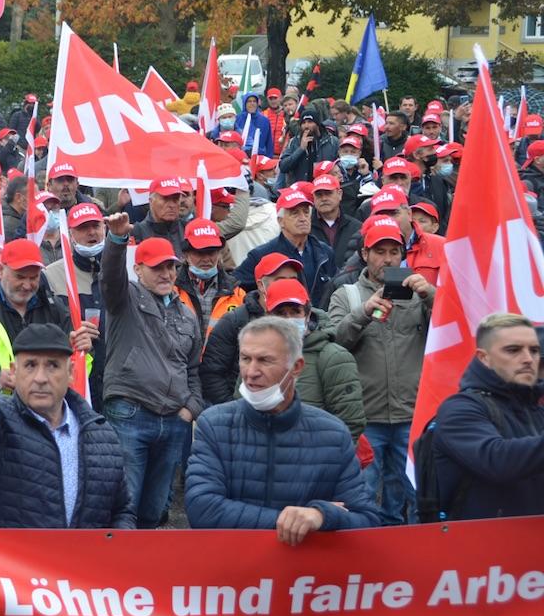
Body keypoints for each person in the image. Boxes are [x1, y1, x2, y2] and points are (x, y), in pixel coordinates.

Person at [185, 316, 379, 540]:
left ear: (296, 367)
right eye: (246, 359)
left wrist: (321, 515)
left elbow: (365, 519)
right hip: (233, 569)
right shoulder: (214, 425)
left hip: (303, 572)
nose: (251, 372)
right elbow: (203, 509)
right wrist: (291, 521)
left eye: (265, 360)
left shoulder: (333, 434)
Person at [0, 320, 132, 529]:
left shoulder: (102, 434)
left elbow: (121, 510)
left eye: (53, 366)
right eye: (31, 365)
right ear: (13, 371)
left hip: (80, 561)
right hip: (5, 561)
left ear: (70, 372)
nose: (41, 378)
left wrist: (111, 554)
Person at [325, 216, 434, 526]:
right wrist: (364, 312)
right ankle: (369, 564)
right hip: (366, 415)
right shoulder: (346, 295)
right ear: (364, 254)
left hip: (410, 414)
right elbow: (335, 343)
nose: (388, 259)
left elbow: (449, 329)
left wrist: (430, 295)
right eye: (380, 251)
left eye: (394, 252)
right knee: (362, 494)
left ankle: (415, 561)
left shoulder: (416, 291)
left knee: (415, 495)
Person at [101, 214, 202, 528]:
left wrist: (191, 408)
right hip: (131, 412)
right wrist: (117, 240)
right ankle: (117, 575)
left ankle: (143, 574)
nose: (166, 273)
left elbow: (195, 368)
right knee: (124, 507)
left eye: (171, 266)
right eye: (157, 267)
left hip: (173, 420)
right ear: (138, 269)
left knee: (155, 510)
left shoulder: (187, 314)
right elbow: (110, 278)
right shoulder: (125, 298)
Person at [428, 313, 544, 521]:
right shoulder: (459, 409)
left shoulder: (536, 410)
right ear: (484, 358)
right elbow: (497, 461)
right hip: (480, 547)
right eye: (513, 350)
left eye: (534, 350)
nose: (528, 359)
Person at [265, 278, 365, 440]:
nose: (288, 319)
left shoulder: (333, 357)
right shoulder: (258, 357)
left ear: (308, 314)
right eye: (281, 313)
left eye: (295, 311)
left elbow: (350, 424)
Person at [201, 252, 304, 405]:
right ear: (261, 285)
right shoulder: (235, 320)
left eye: (293, 280)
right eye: (280, 280)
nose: (288, 284)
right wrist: (232, 407)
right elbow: (212, 373)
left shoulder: (309, 320)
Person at [44, 203, 109, 410]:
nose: (91, 233)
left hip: (115, 383)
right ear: (71, 234)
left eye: (95, 226)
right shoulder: (52, 275)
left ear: (104, 228)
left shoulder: (121, 270)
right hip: (76, 379)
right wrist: (71, 331)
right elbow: (46, 325)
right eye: (83, 228)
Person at [236, 187, 337, 305]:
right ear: (280, 221)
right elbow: (236, 287)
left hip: (320, 320)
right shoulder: (261, 255)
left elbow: (335, 287)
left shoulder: (324, 252)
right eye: (295, 213)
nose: (303, 218)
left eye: (305, 212)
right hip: (281, 319)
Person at [0, 238, 77, 343]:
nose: (27, 286)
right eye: (20, 277)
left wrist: (77, 346)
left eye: (33, 278)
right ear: (1, 271)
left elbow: (76, 354)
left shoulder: (54, 308)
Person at [174, 219, 244, 343]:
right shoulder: (170, 290)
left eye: (211, 252)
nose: (206, 259)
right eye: (199, 253)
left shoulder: (237, 294)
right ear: (186, 254)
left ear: (219, 253)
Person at [309, 174, 362, 268]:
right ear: (313, 197)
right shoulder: (305, 229)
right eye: (319, 194)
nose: (324, 198)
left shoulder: (357, 228)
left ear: (340, 194)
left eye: (328, 193)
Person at [279, 106, 340, 184]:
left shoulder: (332, 141)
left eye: (310, 122)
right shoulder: (294, 141)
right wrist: (300, 149)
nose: (306, 126)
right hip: (301, 189)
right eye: (303, 123)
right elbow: (283, 167)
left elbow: (340, 167)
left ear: (317, 124)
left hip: (324, 187)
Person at [129, 177, 186, 254]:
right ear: (151, 201)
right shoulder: (137, 232)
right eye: (165, 199)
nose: (172, 205)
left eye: (176, 199)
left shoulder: (187, 229)